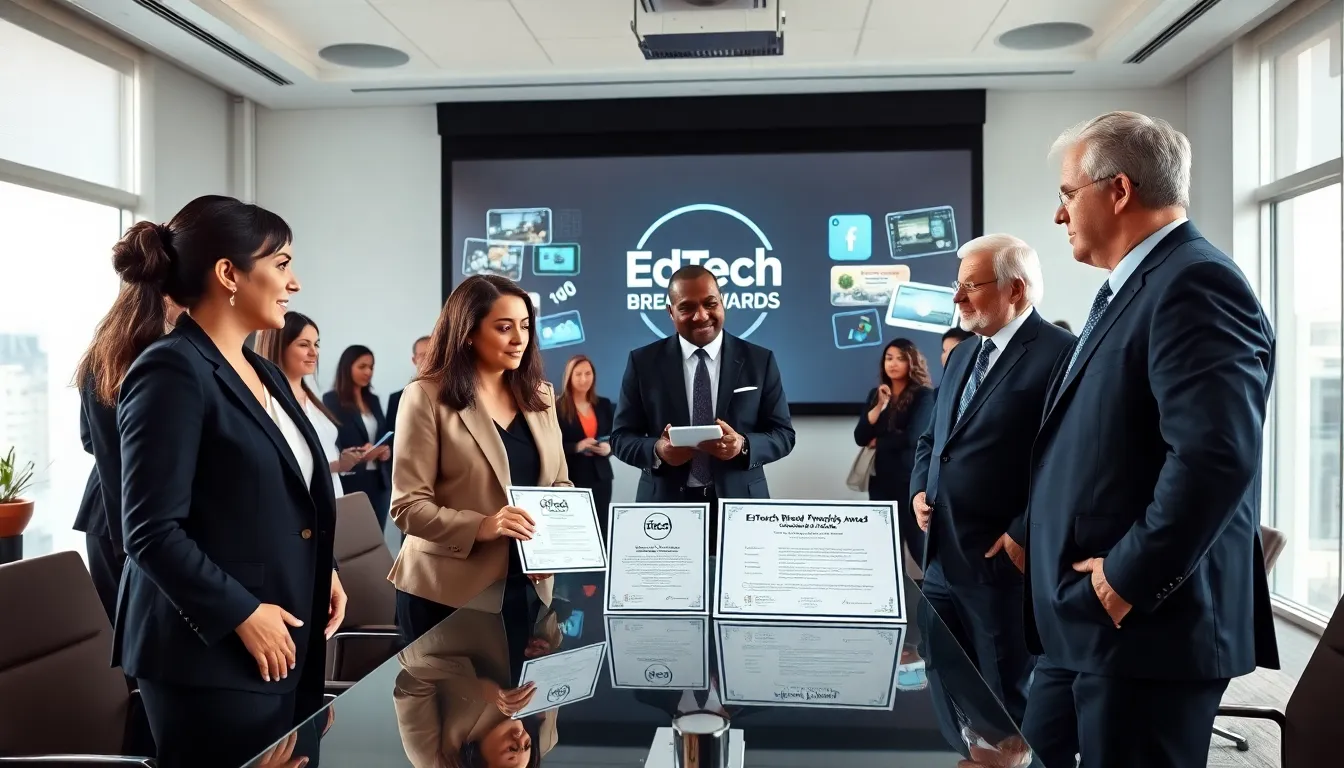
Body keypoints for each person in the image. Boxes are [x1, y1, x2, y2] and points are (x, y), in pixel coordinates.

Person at [1023, 111, 1278, 768]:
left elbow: (1215, 457)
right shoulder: (1132, 287)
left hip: (1144, 629)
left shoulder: (1195, 282)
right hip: (1088, 628)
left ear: (1118, 191)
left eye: (1066, 194)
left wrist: (1122, 581)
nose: (1059, 216)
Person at [112, 196, 345, 767]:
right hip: (209, 653)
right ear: (228, 274)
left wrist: (322, 568)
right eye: (283, 263)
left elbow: (277, 498)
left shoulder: (259, 367)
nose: (294, 282)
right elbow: (149, 531)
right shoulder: (172, 368)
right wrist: (240, 611)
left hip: (279, 637)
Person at [909, 233, 1074, 726]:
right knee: (944, 682)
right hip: (938, 559)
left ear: (1016, 290)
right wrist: (920, 488)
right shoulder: (963, 353)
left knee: (1005, 696)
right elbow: (933, 441)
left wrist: (1023, 531)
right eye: (956, 285)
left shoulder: (1061, 354)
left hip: (1000, 563)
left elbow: (1069, 460)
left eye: (970, 287)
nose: (957, 298)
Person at [388, 274, 568, 643]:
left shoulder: (542, 395)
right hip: (446, 593)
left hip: (530, 585)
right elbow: (407, 506)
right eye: (504, 328)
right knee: (461, 701)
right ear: (468, 332)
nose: (520, 339)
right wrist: (484, 525)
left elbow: (559, 486)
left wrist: (548, 548)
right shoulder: (425, 397)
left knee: (524, 699)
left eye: (526, 326)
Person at [610, 265, 796, 552]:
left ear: (723, 302)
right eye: (687, 308)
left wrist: (743, 446)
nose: (701, 316)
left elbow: (784, 434)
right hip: (664, 511)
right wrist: (659, 451)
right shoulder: (642, 363)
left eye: (710, 304)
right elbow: (621, 438)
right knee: (668, 597)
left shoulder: (760, 361)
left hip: (741, 509)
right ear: (671, 313)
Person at [73, 292, 183, 626]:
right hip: (119, 518)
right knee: (128, 632)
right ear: (166, 298)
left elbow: (89, 440)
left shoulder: (108, 353)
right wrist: (130, 542)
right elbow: (109, 455)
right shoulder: (148, 359)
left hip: (116, 515)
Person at [255, 311, 367, 498]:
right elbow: (282, 467)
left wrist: (341, 460)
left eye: (316, 344)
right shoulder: (267, 401)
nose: (314, 352)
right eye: (303, 344)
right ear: (280, 347)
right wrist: (336, 465)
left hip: (333, 499)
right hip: (302, 505)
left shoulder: (313, 399)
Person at [853, 338, 934, 562]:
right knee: (887, 550)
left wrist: (879, 441)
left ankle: (935, 596)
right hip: (880, 482)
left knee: (919, 548)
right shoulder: (875, 394)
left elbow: (915, 436)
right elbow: (860, 437)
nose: (893, 363)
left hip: (909, 483)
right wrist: (880, 405)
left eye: (900, 358)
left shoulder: (924, 395)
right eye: (889, 358)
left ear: (912, 363)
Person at [324, 345, 392, 530]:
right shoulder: (332, 400)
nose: (368, 372)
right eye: (362, 366)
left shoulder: (374, 400)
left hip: (379, 481)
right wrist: (362, 453)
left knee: (377, 538)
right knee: (355, 539)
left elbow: (382, 435)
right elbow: (333, 443)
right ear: (347, 367)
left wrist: (385, 451)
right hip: (352, 480)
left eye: (371, 367)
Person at [555, 354, 614, 537]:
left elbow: (616, 437)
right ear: (569, 377)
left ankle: (602, 565)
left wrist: (609, 448)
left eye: (588, 374)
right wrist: (578, 447)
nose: (584, 379)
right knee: (578, 528)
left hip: (601, 476)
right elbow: (552, 447)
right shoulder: (557, 407)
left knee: (601, 526)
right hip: (573, 477)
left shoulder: (603, 404)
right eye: (578, 374)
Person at [387, 334, 431, 433]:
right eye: (423, 355)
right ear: (414, 360)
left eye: (433, 353)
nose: (429, 359)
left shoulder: (452, 395)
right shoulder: (396, 398)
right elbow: (391, 437)